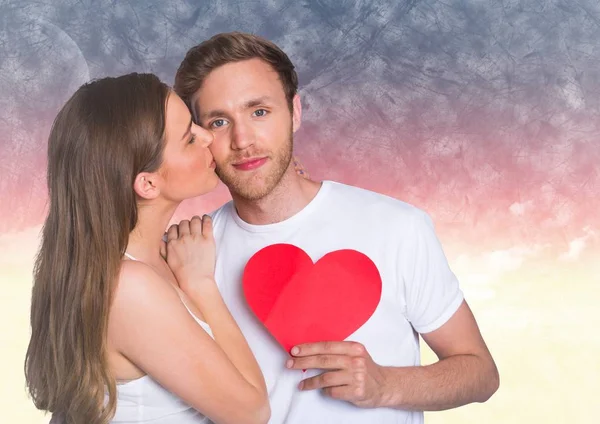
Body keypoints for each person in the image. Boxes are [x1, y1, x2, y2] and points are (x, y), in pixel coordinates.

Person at [173, 32, 500, 424]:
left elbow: (480, 372)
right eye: (220, 121)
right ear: (200, 135)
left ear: (294, 112)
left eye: (259, 112)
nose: (242, 140)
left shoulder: (396, 227)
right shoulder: (186, 256)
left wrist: (386, 385)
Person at [25, 73, 270, 424]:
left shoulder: (138, 259)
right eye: (189, 138)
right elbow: (251, 412)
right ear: (148, 183)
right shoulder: (129, 287)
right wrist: (200, 285)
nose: (207, 135)